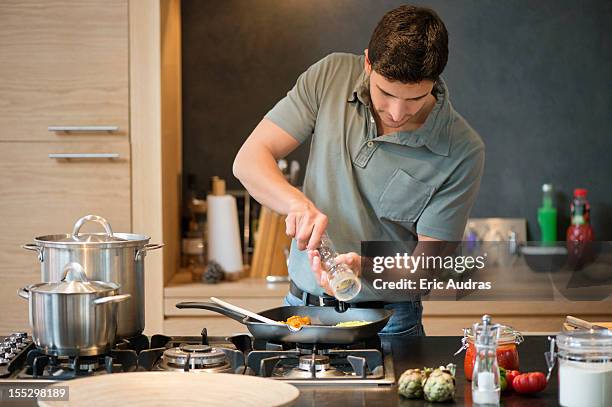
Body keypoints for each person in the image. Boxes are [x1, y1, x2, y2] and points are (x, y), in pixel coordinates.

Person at [233, 5, 484, 337]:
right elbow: (249, 159)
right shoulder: (330, 77)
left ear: (434, 82)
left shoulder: (462, 149)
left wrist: (363, 266)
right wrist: (296, 204)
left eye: (414, 99)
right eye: (386, 93)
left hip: (388, 325)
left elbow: (426, 268)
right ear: (368, 63)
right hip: (302, 310)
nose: (397, 112)